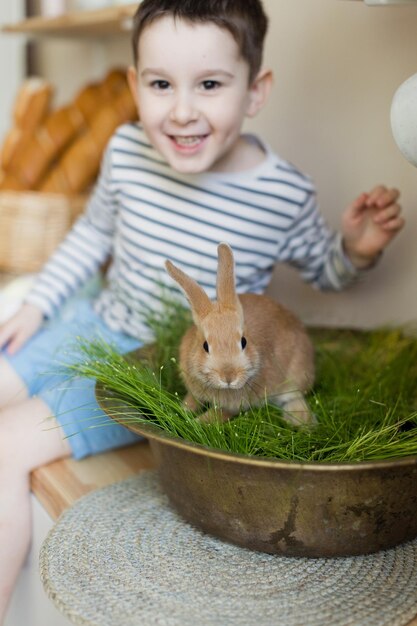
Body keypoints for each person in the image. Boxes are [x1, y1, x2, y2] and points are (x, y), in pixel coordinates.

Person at [0, 0, 404, 620]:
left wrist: (355, 249)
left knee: (8, 443)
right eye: (161, 84)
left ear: (254, 91)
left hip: (150, 365)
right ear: (135, 85)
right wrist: (39, 305)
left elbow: (325, 269)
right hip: (91, 321)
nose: (182, 110)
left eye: (210, 85)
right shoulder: (127, 152)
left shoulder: (281, 192)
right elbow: (91, 234)